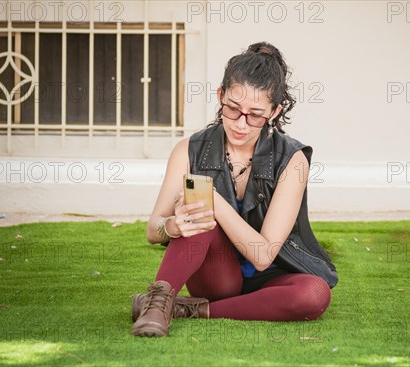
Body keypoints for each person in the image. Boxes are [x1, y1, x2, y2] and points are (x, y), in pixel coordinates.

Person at [131, 41, 338, 337]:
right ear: (220, 96)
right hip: (217, 275)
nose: (241, 124)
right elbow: (154, 229)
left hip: (271, 275)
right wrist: (174, 226)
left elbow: (264, 255)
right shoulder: (188, 150)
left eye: (255, 114)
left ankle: (187, 308)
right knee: (201, 213)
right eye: (232, 109)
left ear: (275, 110)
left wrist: (216, 202)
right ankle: (157, 305)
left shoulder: (292, 159)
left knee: (314, 294)